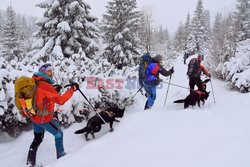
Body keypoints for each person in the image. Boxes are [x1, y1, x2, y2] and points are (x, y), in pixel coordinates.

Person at [26, 63, 78, 167]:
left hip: (35, 117)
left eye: (51, 70)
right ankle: (62, 157)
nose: (51, 72)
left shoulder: (36, 81)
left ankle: (30, 163)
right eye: (48, 71)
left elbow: (42, 96)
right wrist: (72, 89)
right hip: (44, 118)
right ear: (42, 72)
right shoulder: (45, 85)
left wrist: (53, 90)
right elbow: (61, 100)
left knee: (37, 139)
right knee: (59, 134)